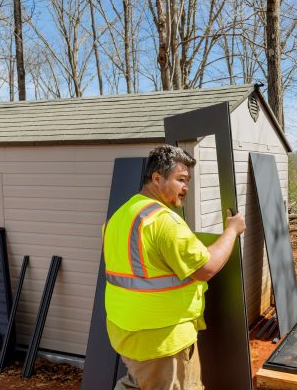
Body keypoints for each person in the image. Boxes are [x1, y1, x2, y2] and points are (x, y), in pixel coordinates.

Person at [103, 144, 246, 390]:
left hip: (126, 333)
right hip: (163, 341)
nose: (186, 188)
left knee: (136, 383)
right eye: (181, 180)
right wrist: (232, 231)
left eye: (187, 181)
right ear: (157, 178)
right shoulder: (163, 222)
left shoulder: (120, 215)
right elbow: (206, 268)